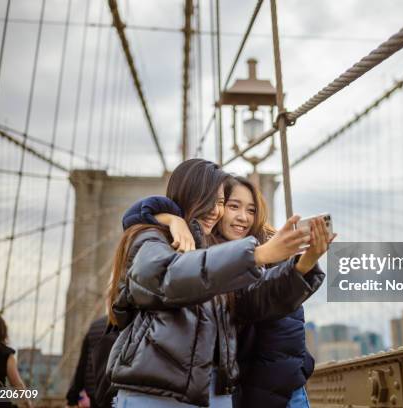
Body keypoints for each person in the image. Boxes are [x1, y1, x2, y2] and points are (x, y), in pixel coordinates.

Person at [106, 159, 329, 407]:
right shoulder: (153, 237)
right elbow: (166, 277)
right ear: (189, 195)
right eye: (211, 200)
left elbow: (249, 301)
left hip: (215, 391)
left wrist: (304, 264)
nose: (216, 210)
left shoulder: (217, 256)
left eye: (221, 202)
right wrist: (257, 255)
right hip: (155, 392)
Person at [66, 315, 109, 408]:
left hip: (95, 394)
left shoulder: (95, 327)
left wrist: (73, 396)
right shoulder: (132, 325)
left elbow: (82, 365)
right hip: (120, 394)